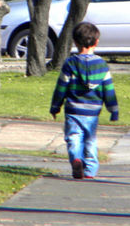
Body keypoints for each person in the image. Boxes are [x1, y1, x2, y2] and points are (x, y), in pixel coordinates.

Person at [50, 22, 119, 179]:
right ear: (96, 42)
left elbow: (61, 87)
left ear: (75, 42)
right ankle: (90, 170)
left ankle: (76, 158)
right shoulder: (101, 65)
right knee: (90, 139)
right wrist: (113, 110)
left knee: (73, 137)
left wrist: (55, 106)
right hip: (93, 112)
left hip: (73, 110)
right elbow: (108, 89)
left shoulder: (70, 64)